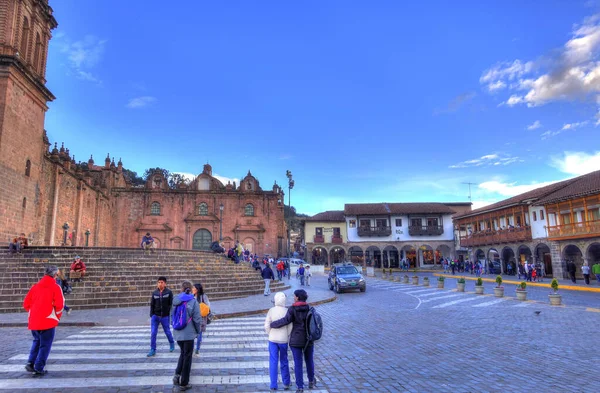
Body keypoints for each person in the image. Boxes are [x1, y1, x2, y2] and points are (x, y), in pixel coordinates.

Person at [270, 289, 316, 392]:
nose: (293, 298)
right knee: (309, 360)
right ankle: (311, 381)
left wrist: (273, 324)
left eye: (294, 296)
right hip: (309, 339)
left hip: (296, 340)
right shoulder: (309, 308)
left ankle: (300, 387)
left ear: (298, 297)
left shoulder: (292, 309)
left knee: (298, 363)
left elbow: (285, 321)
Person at [23, 265, 64, 376]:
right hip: (48, 320)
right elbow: (59, 305)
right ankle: (39, 367)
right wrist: (56, 318)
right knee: (45, 345)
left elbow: (26, 304)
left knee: (36, 341)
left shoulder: (35, 287)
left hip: (34, 320)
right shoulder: (55, 287)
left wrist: (35, 313)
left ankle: (30, 362)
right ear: (55, 275)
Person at [171, 281, 201, 391]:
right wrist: (198, 331)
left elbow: (171, 316)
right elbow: (197, 319)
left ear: (181, 289)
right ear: (191, 289)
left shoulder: (175, 300)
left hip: (178, 333)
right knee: (187, 357)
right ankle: (184, 383)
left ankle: (177, 375)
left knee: (183, 354)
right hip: (188, 334)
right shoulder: (193, 301)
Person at [264, 292, 292, 392]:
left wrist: (270, 333)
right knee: (284, 360)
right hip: (283, 340)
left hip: (272, 339)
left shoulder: (271, 310)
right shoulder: (287, 311)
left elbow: (267, 325)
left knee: (273, 361)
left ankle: (273, 385)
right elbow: (290, 327)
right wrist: (286, 335)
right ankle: (286, 383)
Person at [147, 276, 175, 357]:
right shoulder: (154, 293)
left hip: (165, 316)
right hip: (155, 316)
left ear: (165, 284)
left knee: (167, 331)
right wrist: (151, 315)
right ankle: (153, 349)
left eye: (162, 282)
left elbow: (171, 304)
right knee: (153, 333)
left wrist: (170, 314)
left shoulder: (169, 292)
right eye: (159, 282)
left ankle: (171, 343)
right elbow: (152, 304)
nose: (160, 284)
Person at [192, 283, 210, 355]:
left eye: (194, 288)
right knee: (192, 334)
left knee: (199, 334)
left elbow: (208, 305)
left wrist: (201, 307)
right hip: (193, 318)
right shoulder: (192, 296)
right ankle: (192, 348)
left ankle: (197, 349)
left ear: (197, 289)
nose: (192, 289)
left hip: (201, 318)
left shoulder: (203, 296)